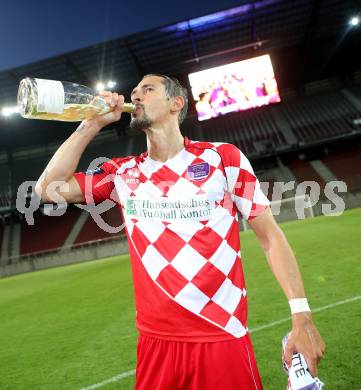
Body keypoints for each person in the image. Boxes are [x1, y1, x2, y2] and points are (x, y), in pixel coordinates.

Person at [35, 74, 325, 389]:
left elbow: (270, 237)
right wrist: (91, 124)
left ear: (177, 103)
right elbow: (48, 189)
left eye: (147, 89)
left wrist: (301, 315)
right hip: (154, 343)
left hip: (221, 334)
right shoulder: (121, 172)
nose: (137, 96)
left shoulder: (223, 158)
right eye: (135, 92)